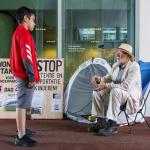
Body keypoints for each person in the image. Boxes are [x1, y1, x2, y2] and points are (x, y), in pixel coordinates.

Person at [88, 43, 142, 136]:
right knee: (97, 91)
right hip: (116, 96)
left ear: (128, 56)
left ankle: (112, 125)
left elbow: (125, 86)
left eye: (121, 53)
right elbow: (107, 78)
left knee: (115, 90)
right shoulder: (116, 65)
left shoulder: (134, 66)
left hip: (129, 98)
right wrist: (99, 79)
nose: (117, 55)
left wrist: (106, 85)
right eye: (118, 52)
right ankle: (101, 122)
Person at [10, 6, 40, 146]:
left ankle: (21, 129)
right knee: (22, 105)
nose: (34, 23)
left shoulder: (18, 32)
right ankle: (20, 136)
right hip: (24, 75)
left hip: (21, 74)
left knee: (22, 104)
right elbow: (26, 57)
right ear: (26, 18)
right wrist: (31, 77)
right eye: (33, 20)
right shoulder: (24, 33)